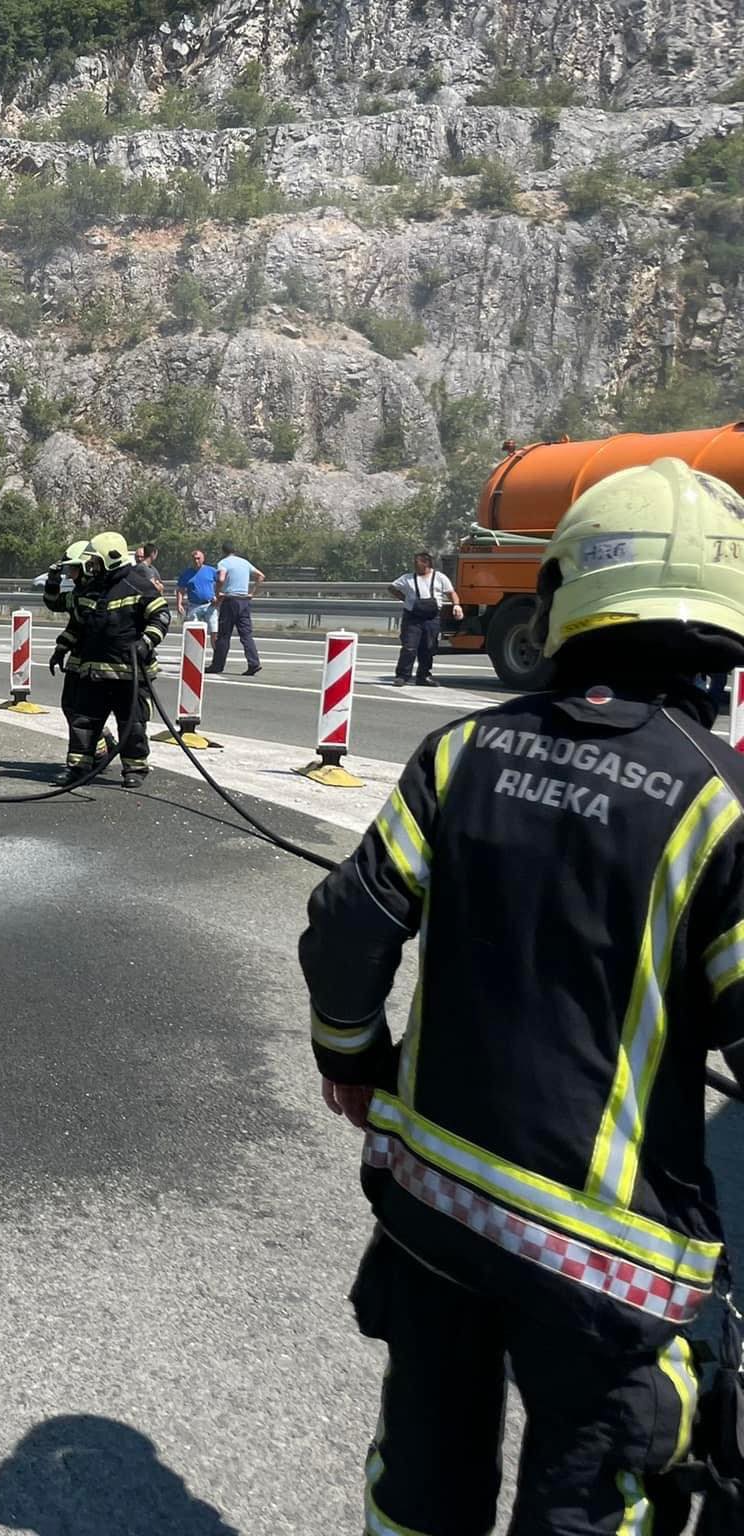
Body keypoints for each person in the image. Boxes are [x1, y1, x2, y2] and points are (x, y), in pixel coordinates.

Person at [300, 457, 744, 1535]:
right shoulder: (720, 805)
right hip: (610, 1275)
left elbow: (346, 929)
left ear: (561, 604)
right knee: (586, 1507)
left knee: (420, 1484)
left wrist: (351, 1059)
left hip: (434, 1211)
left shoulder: (458, 752)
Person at [48, 531, 169, 788]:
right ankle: (78, 769)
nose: (91, 566)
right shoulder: (92, 589)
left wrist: (145, 642)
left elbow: (161, 616)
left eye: (95, 561)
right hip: (94, 672)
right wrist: (61, 648)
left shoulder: (139, 585)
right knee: (83, 722)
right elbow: (78, 623)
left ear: (109, 559)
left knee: (132, 723)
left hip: (129, 673)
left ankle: (134, 769)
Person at [390, 551, 462, 686]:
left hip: (432, 618)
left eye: (417, 562)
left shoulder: (440, 577)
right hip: (412, 618)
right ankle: (402, 676)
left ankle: (423, 676)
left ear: (426, 563)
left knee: (429, 647)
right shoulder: (407, 578)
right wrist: (406, 600)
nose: (414, 565)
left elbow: (451, 592)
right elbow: (392, 588)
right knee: (409, 647)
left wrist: (456, 605)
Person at [207, 541, 263, 676]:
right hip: (244, 601)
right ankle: (254, 663)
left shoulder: (223, 563)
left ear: (223, 551)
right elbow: (261, 576)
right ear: (235, 550)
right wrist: (252, 593)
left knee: (224, 635)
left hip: (230, 600)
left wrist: (218, 593)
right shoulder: (244, 562)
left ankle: (218, 665)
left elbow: (220, 579)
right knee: (246, 635)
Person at [176, 548, 217, 638]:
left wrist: (217, 596)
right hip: (194, 606)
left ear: (203, 559)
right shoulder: (186, 573)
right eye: (194, 559)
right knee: (193, 633)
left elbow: (221, 583)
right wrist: (179, 604)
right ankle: (194, 651)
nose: (196, 561)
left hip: (209, 605)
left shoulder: (211, 571)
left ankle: (217, 651)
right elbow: (181, 589)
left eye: (198, 558)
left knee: (214, 632)